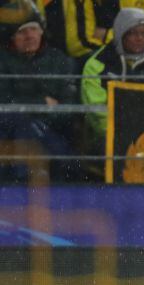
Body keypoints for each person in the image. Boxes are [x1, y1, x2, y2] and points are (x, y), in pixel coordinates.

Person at [81, 8, 144, 151]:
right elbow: (97, 112)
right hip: (113, 136)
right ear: (121, 34)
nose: (139, 38)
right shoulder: (97, 64)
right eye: (133, 33)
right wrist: (124, 135)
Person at [0, 7, 79, 182]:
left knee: (32, 132)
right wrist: (42, 103)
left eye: (34, 29)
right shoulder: (2, 61)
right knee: (23, 126)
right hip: (7, 134)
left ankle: (22, 183)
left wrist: (35, 120)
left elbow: (68, 109)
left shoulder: (61, 61)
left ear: (42, 31)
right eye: (22, 31)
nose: (30, 36)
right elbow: (3, 103)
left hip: (51, 130)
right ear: (12, 37)